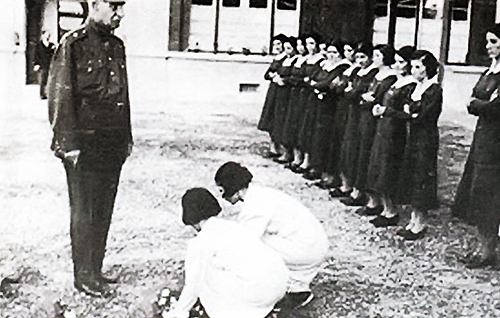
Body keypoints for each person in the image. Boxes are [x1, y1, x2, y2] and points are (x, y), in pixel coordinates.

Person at [47, 0, 132, 297]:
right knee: (84, 212)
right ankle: (83, 275)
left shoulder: (117, 46)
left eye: (122, 7)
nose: (119, 13)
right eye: (114, 6)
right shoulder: (73, 44)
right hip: (84, 144)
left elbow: (123, 94)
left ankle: (95, 269)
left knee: (104, 210)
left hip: (112, 142)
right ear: (94, 5)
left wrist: (127, 137)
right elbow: (59, 95)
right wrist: (67, 144)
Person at [214, 161, 329, 317]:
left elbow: (243, 242)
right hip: (312, 243)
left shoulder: (255, 205)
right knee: (261, 240)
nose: (222, 196)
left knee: (253, 247)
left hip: (306, 247)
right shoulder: (259, 193)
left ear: (232, 187)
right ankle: (297, 288)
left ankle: (285, 289)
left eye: (222, 190)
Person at [162, 188, 289, 318]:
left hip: (259, 293)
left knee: (205, 276)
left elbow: (193, 284)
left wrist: (179, 311)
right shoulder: (233, 226)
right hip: (280, 283)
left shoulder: (201, 241)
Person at [453, 24, 500, 268]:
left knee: (491, 194)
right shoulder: (488, 72)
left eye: (493, 41)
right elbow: (473, 100)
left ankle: (488, 250)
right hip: (483, 138)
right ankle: (484, 247)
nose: (488, 46)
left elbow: (493, 107)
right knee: (480, 192)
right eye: (487, 41)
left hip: (497, 143)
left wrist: (481, 104)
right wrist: (482, 104)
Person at [364, 46, 417, 227]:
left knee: (389, 169)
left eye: (401, 62)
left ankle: (392, 211)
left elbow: (407, 113)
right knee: (379, 165)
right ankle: (385, 208)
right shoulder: (397, 81)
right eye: (395, 61)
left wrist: (386, 110)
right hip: (384, 127)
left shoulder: (410, 85)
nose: (396, 65)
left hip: (396, 131)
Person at [395, 50, 442, 241]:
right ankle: (413, 219)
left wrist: (412, 112)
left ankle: (421, 221)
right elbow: (406, 107)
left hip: (426, 138)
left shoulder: (434, 90)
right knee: (412, 173)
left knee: (422, 175)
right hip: (413, 136)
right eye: (412, 67)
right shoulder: (415, 88)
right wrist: (411, 111)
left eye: (418, 67)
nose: (413, 71)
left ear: (428, 68)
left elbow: (423, 116)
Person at [258, 34, 288, 158]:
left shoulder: (286, 58)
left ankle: (280, 147)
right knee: (270, 116)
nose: (276, 47)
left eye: (279, 44)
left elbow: (280, 73)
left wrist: (274, 75)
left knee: (278, 117)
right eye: (274, 44)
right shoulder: (277, 58)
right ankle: (273, 146)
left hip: (281, 90)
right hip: (273, 90)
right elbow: (267, 74)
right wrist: (272, 75)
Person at [34, 30, 55, 99]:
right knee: (43, 79)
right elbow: (36, 55)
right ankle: (43, 94)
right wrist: (36, 64)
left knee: (50, 79)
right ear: (43, 36)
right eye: (46, 35)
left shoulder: (51, 45)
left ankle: (48, 93)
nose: (48, 37)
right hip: (42, 64)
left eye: (49, 35)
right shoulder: (39, 45)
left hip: (49, 64)